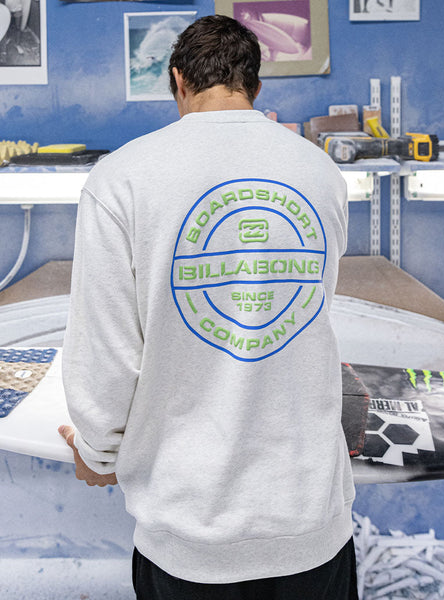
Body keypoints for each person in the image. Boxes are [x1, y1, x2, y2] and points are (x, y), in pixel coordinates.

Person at [59, 14, 358, 600]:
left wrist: (97, 451)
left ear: (177, 80)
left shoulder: (121, 178)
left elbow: (107, 350)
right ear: (255, 86)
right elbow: (305, 308)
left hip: (189, 532)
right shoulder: (319, 171)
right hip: (311, 520)